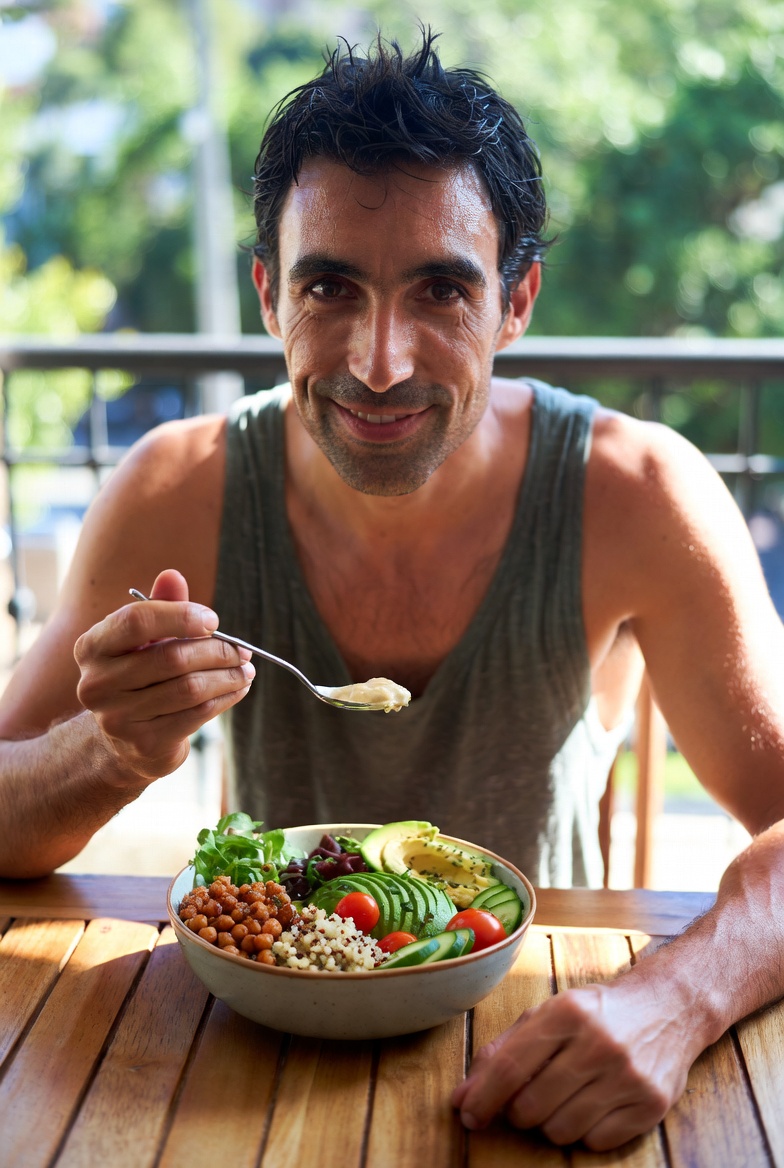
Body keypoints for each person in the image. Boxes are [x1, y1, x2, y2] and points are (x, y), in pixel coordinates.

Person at [1, 30, 784, 1152]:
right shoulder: (175, 488)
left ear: (516, 302)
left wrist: (681, 994)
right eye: (330, 286)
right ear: (269, 295)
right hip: (253, 1056)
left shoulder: (638, 494)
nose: (378, 360)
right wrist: (113, 748)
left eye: (440, 290)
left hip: (542, 1038)